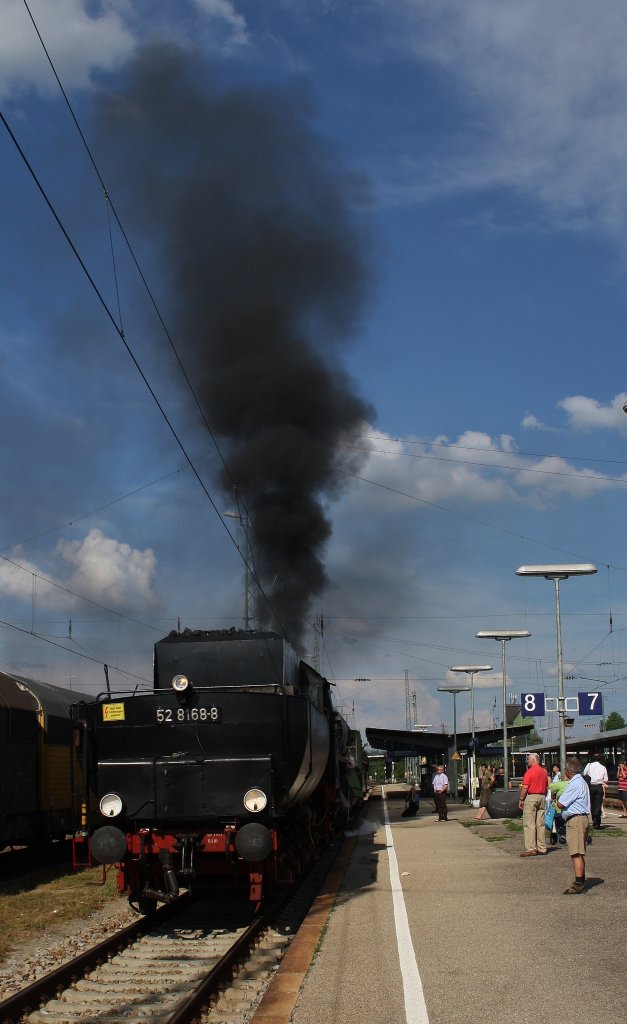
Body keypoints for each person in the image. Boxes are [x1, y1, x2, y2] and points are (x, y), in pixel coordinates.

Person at [556, 756, 591, 894]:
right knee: (579, 852)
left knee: (576, 852)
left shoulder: (574, 784)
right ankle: (580, 879)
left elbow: (561, 803)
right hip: (580, 819)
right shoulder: (581, 782)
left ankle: (578, 882)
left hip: (575, 821)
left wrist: (558, 798)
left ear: (568, 771)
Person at [518, 753, 548, 856]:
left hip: (532, 797)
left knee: (529, 823)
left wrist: (521, 799)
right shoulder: (544, 772)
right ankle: (542, 847)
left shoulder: (529, 772)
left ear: (533, 760)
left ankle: (531, 848)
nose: (527, 762)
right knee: (541, 823)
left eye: (528, 760)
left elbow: (525, 787)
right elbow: (547, 785)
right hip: (542, 796)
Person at [582, 751, 608, 829]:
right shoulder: (603, 767)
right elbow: (606, 780)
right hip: (599, 786)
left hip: (591, 786)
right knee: (598, 804)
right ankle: (598, 822)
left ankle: (594, 821)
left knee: (592, 804)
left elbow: (583, 774)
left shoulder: (589, 765)